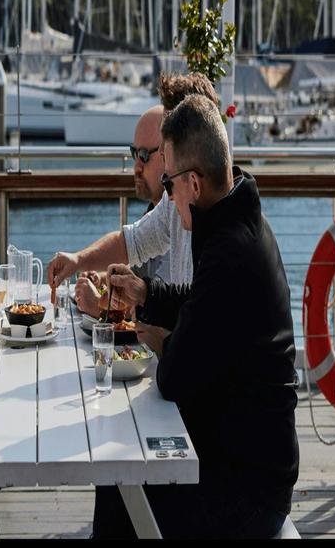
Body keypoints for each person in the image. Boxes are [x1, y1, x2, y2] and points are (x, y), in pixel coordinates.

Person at [101, 94, 300, 539]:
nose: (166, 197)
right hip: (247, 460)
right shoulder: (236, 219)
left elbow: (175, 376)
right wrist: (146, 292)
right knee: (121, 476)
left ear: (192, 183)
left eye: (168, 184)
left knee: (120, 489)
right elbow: (202, 303)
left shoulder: (230, 249)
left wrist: (152, 337)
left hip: (249, 491)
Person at [48, 74, 220, 298]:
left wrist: (107, 306)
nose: (161, 152)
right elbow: (130, 243)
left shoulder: (227, 238)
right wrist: (78, 260)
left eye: (165, 141)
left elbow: (191, 315)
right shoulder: (175, 202)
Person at [70, 104, 165, 317]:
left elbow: (163, 310)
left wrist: (98, 308)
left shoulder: (183, 217)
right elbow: (131, 253)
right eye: (134, 153)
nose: (136, 167)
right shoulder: (158, 211)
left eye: (144, 155)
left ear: (170, 153)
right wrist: (104, 278)